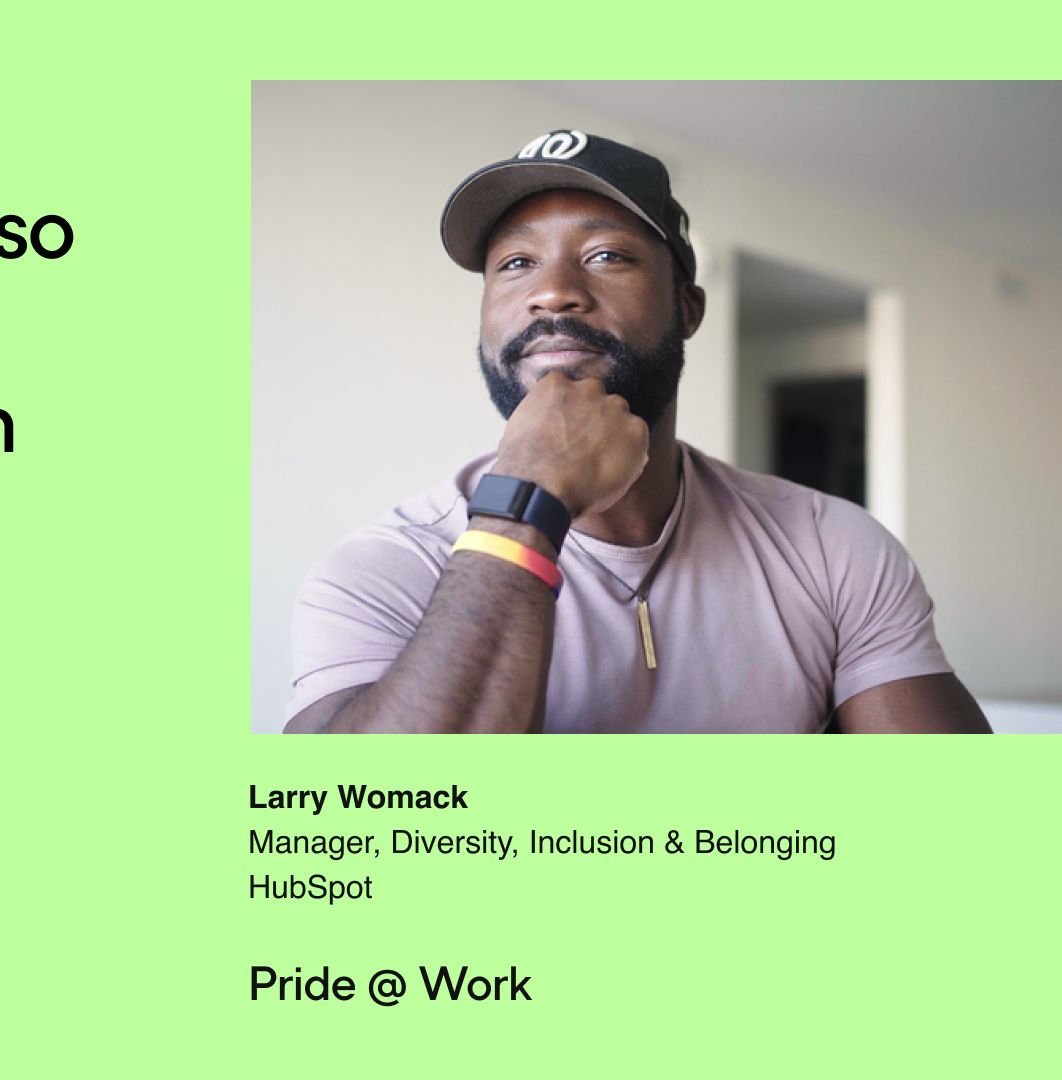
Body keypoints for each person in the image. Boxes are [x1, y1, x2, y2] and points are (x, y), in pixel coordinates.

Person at [286, 130, 990, 734]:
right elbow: (365, 835)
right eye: (516, 263)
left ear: (688, 307)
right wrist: (527, 499)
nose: (551, 289)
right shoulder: (383, 572)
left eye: (606, 256)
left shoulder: (832, 547)